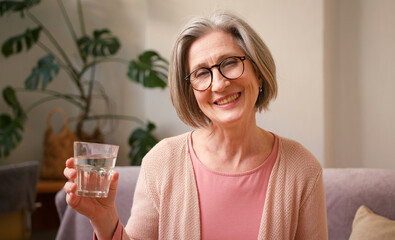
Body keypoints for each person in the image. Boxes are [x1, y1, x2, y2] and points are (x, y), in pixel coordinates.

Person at [63, 11, 328, 240]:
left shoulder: (301, 169)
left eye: (230, 63)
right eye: (202, 73)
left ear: (258, 73)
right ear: (191, 92)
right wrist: (104, 217)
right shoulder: (162, 161)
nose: (219, 83)